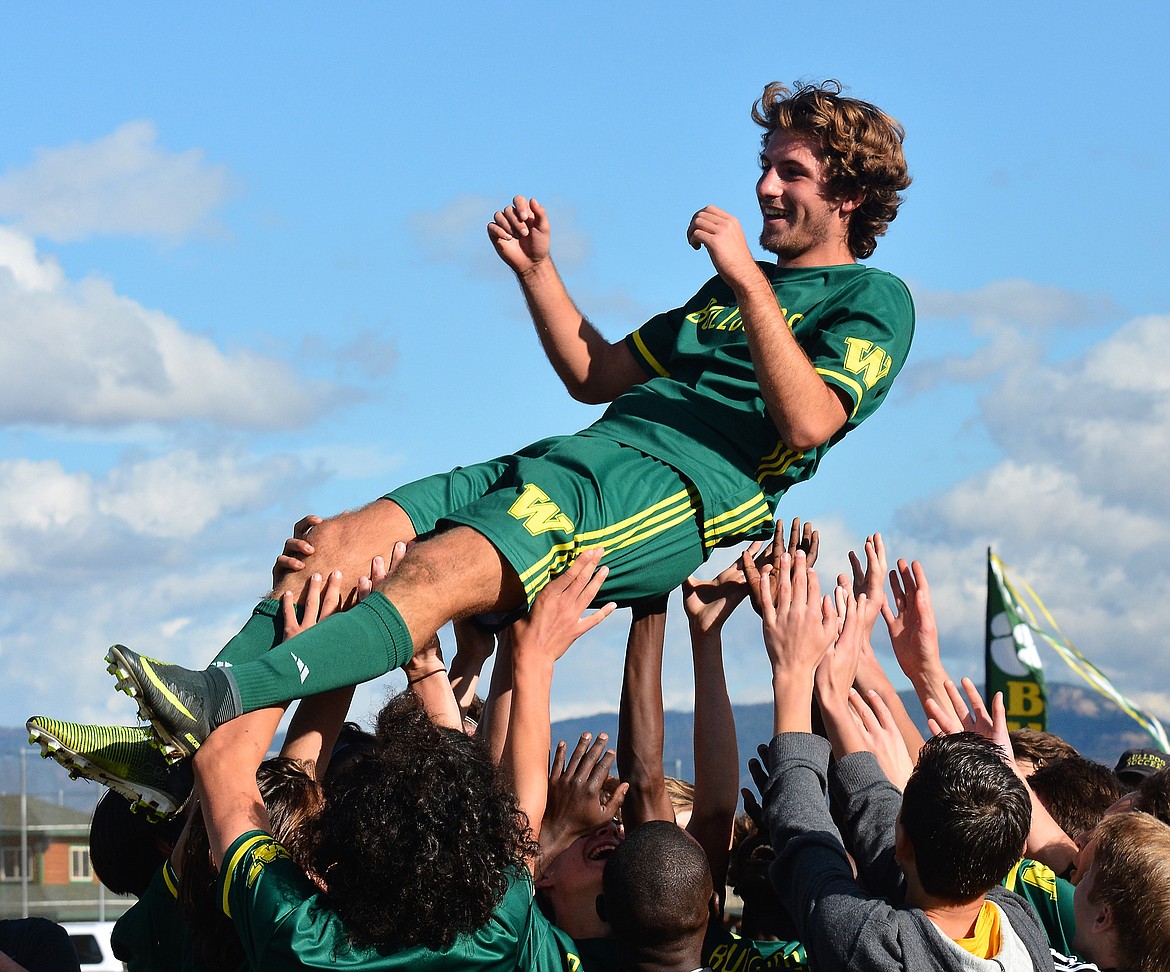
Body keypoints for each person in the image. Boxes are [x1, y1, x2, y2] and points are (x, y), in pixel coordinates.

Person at [37, 80, 914, 810]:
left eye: (790, 171)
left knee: (426, 575)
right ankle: (176, 751)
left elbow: (809, 422)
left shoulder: (872, 299)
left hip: (673, 488)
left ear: (850, 195)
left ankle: (219, 710)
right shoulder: (721, 296)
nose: (765, 187)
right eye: (765, 166)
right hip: (582, 449)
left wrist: (747, 281)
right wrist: (539, 272)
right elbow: (594, 370)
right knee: (334, 543)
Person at [759, 551, 1053, 971]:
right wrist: (832, 694)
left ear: (904, 842)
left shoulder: (875, 947)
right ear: (1012, 855)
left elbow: (804, 834)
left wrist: (793, 674)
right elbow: (883, 828)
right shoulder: (1021, 927)